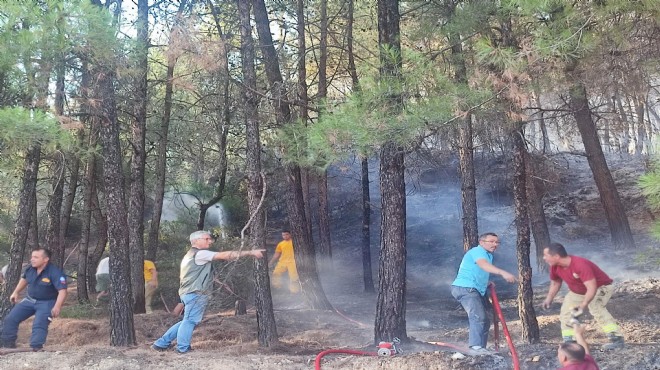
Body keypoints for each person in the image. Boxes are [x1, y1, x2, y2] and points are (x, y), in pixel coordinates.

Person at [151, 230, 264, 354]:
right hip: (196, 293)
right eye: (206, 239)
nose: (210, 241)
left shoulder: (189, 255)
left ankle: (160, 344)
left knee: (186, 320)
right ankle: (182, 348)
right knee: (190, 321)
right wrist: (250, 252)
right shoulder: (200, 254)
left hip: (188, 293)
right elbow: (225, 255)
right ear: (196, 241)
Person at [542, 243, 624, 350]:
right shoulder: (554, 267)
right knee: (566, 313)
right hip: (577, 291)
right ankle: (570, 343)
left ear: (556, 256)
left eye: (546, 255)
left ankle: (616, 339)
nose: (544, 258)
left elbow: (592, 288)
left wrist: (583, 304)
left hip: (600, 288)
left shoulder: (580, 264)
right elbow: (556, 282)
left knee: (596, 308)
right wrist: (549, 298)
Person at [451, 232, 517, 353]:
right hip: (465, 288)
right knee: (478, 316)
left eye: (497, 242)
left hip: (475, 288)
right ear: (482, 242)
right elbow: (484, 266)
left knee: (485, 320)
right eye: (491, 241)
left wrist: (486, 282)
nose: (495, 244)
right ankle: (475, 347)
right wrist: (503, 273)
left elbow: (477, 270)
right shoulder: (478, 251)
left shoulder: (488, 255)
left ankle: (481, 349)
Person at [0, 248, 68, 351]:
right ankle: (7, 345)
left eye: (36, 257)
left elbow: (62, 291)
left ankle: (36, 347)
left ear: (45, 259)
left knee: (39, 323)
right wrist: (16, 292)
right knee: (11, 318)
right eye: (32, 257)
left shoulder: (55, 272)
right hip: (29, 300)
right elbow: (24, 279)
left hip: (47, 302)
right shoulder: (30, 269)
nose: (32, 259)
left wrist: (57, 306)